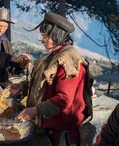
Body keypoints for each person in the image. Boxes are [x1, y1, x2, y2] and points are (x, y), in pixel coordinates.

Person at [9, 12, 94, 146]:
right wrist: (22, 86)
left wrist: (36, 110)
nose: (42, 41)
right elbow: (47, 83)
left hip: (62, 137)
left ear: (56, 36)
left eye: (45, 36)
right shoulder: (56, 55)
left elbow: (64, 99)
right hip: (50, 131)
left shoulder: (68, 61)